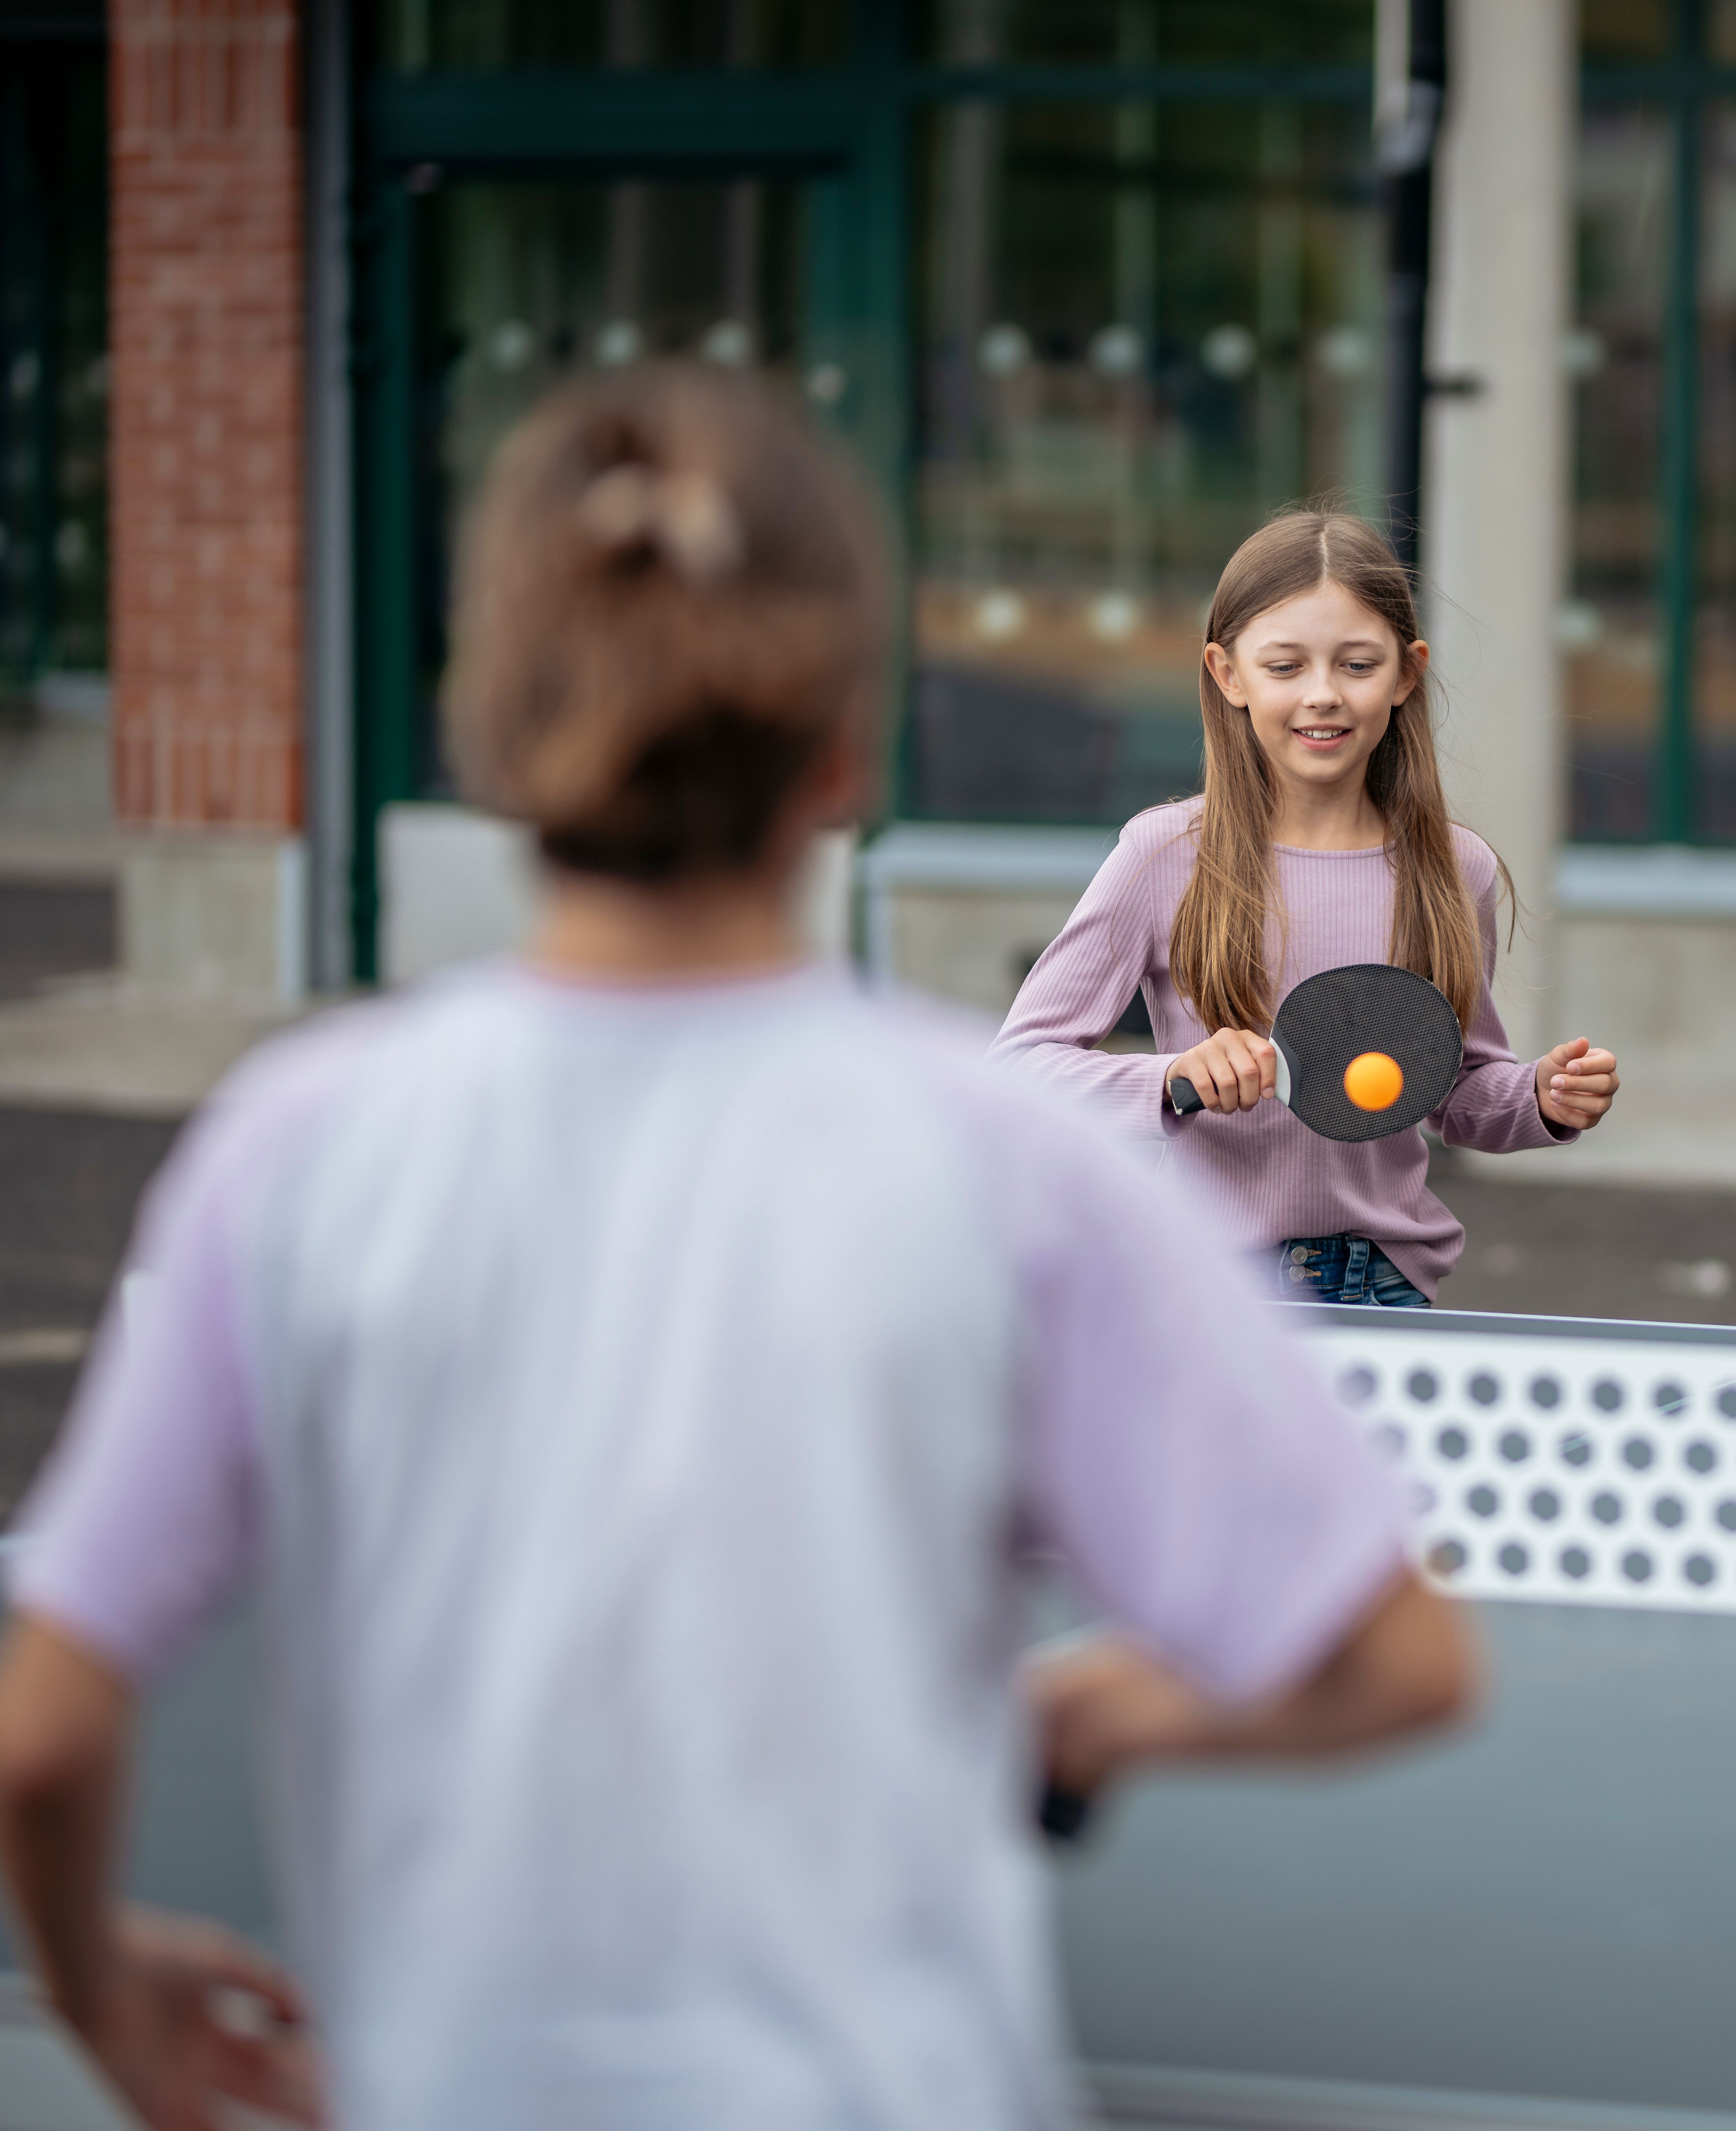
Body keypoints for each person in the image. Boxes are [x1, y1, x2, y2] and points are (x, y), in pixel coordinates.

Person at [0, 368, 1475, 2131]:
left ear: (492, 732)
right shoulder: (1011, 1166)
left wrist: (96, 1985)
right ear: (845, 752)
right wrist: (1079, 1717)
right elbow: (1395, 1661)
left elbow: (44, 1733)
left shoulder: (294, 1147)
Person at [992, 507, 1617, 1308]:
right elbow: (1021, 1068)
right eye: (1285, 666)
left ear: (1407, 674)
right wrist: (1172, 1076)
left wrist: (1539, 1099)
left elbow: (1456, 1089)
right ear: (1228, 675)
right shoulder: (1162, 855)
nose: (1323, 695)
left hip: (1387, 1285)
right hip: (1208, 1288)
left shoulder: (1455, 870)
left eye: (1357, 664)